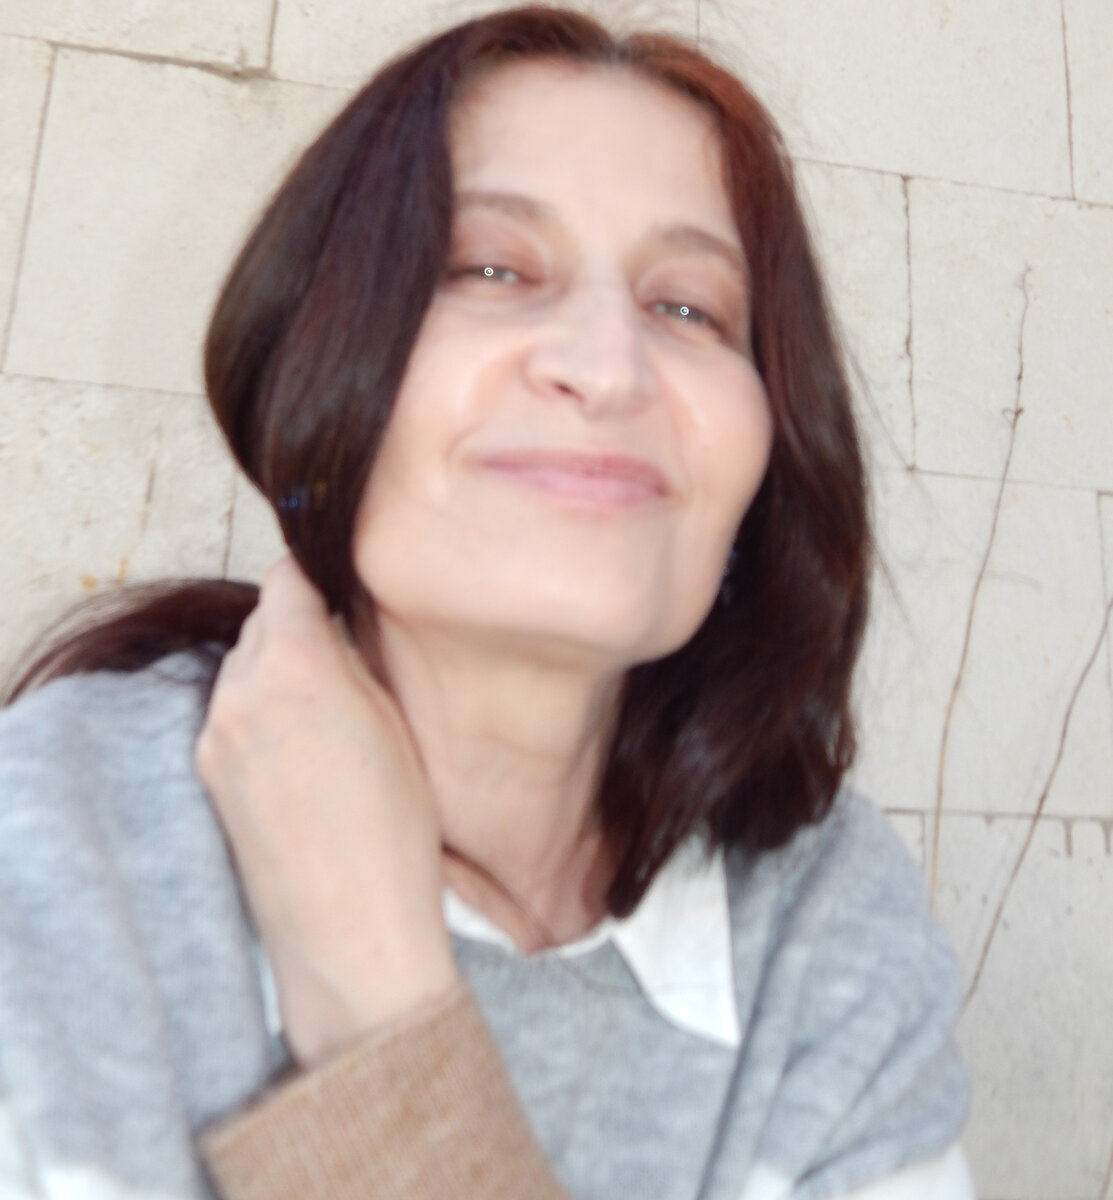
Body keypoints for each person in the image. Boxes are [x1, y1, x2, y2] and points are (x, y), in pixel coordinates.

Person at [0, 7, 973, 1199]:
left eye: (688, 308)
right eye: (492, 268)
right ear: (323, 360)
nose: (607, 367)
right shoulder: (50, 844)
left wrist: (386, 1017)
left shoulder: (828, 924)